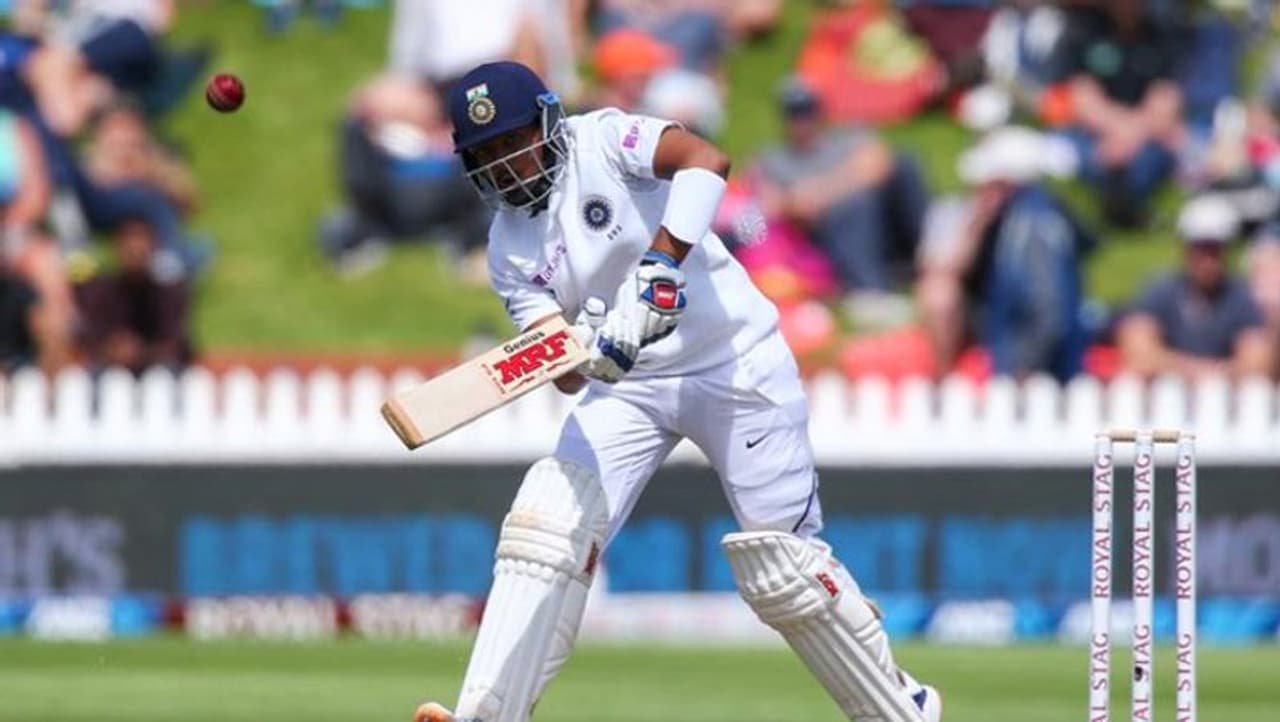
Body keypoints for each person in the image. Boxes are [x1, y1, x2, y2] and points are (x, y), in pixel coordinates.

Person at [411, 61, 941, 722]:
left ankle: (904, 710)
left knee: (787, 569)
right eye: (488, 155)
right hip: (631, 389)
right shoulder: (508, 248)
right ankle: (486, 715)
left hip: (733, 362)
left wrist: (659, 265)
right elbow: (562, 366)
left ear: (547, 124)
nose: (507, 165)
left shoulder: (604, 141)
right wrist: (592, 352)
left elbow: (705, 160)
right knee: (545, 529)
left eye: (514, 142)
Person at [916, 125, 1093, 382]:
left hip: (1031, 360)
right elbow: (940, 270)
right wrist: (976, 225)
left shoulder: (1034, 224)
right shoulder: (1010, 218)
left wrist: (1024, 364)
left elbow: (1049, 307)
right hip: (1002, 332)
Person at [753, 76, 928, 328]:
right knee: (855, 204)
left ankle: (930, 261)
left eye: (808, 110)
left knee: (904, 164)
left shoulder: (847, 139)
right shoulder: (773, 160)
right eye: (795, 113)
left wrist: (821, 192)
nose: (802, 120)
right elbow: (775, 206)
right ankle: (868, 292)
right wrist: (846, 183)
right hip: (824, 237)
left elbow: (880, 164)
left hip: (882, 222)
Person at [1049, 0, 1184, 227]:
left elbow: (1166, 97)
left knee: (1156, 158)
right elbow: (1081, 95)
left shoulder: (1163, 33)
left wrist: (1130, 135)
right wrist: (1118, 131)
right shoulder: (1084, 30)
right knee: (1069, 154)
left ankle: (1128, 210)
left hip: (1144, 134)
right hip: (1095, 132)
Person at [1116, 195, 1274, 380]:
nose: (1207, 259)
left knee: (1255, 390)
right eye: (1200, 248)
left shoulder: (1241, 297)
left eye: (1215, 249)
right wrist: (1203, 371)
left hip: (1225, 393)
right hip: (1170, 390)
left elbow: (1257, 364)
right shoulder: (1160, 291)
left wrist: (1185, 370)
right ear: (1185, 248)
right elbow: (1140, 355)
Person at [73, 219, 193, 374]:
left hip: (157, 372)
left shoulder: (170, 293)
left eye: (141, 242)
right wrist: (113, 350)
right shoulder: (98, 291)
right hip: (109, 372)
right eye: (129, 242)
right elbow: (88, 339)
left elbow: (177, 343)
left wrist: (140, 353)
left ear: (155, 247)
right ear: (116, 247)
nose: (135, 249)